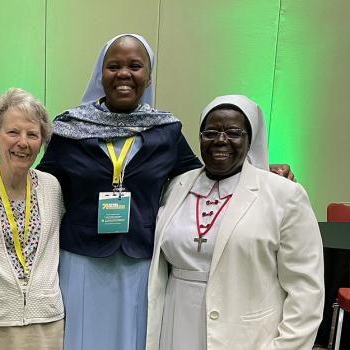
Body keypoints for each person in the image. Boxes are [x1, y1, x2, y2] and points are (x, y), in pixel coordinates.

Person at [36, 33, 203, 350]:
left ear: (148, 76)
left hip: (138, 260)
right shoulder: (69, 127)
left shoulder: (166, 130)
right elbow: (41, 187)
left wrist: (263, 174)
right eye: (113, 66)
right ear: (101, 74)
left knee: (132, 339)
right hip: (80, 259)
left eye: (134, 66)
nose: (124, 73)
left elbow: (202, 178)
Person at [146, 95, 324, 350]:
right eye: (211, 132)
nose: (221, 140)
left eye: (233, 132)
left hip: (246, 337)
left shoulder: (284, 195)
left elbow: (306, 290)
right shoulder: (176, 186)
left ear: (249, 140)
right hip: (175, 324)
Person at [0, 88, 65, 349]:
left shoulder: (52, 187)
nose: (23, 142)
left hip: (47, 320)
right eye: (13, 132)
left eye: (32, 134)